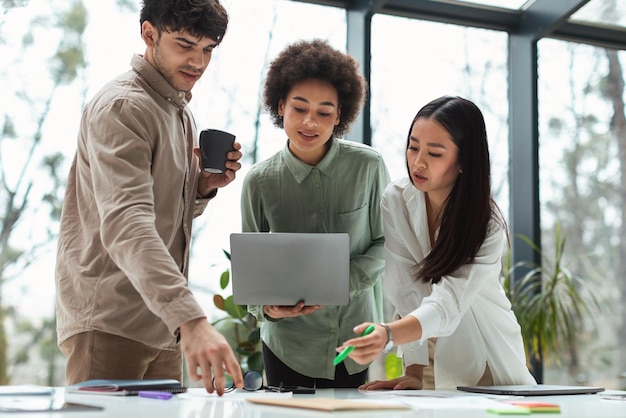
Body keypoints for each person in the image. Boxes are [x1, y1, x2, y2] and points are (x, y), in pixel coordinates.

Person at [55, 0, 244, 395]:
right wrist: (191, 319)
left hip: (162, 326)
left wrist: (204, 188)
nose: (198, 61)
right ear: (149, 34)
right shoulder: (124, 106)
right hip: (111, 322)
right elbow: (127, 222)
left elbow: (165, 215)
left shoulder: (179, 111)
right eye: (185, 45)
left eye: (208, 49)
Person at [339, 95, 537, 390]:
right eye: (413, 147)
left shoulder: (486, 223)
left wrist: (388, 334)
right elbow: (406, 289)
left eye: (434, 153)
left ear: (463, 162)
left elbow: (448, 303)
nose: (418, 163)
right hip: (435, 356)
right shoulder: (396, 200)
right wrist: (414, 372)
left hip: (489, 357)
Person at [240, 39, 391, 388]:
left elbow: (387, 242)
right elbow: (250, 271)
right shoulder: (259, 182)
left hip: (354, 343)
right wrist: (267, 308)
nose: (310, 122)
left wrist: (341, 283)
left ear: (339, 116)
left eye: (324, 112)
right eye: (299, 108)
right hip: (287, 346)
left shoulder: (368, 166)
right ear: (281, 106)